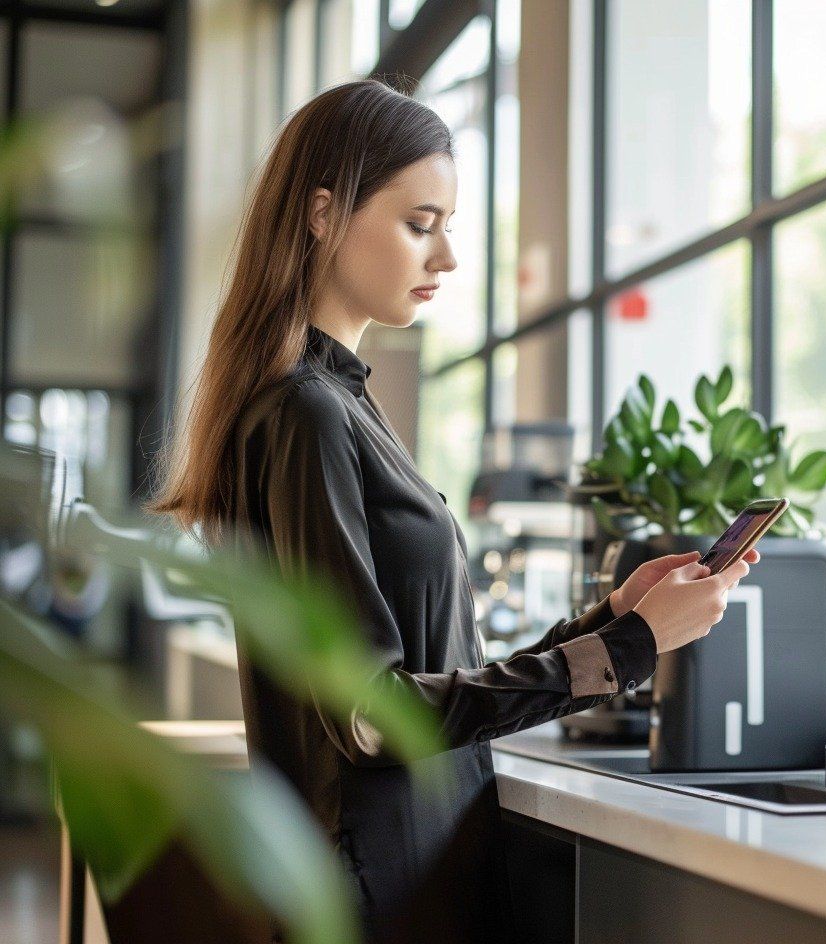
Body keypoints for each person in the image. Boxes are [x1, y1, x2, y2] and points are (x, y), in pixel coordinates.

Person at [146, 78, 755, 943]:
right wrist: (629, 649)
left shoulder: (338, 406)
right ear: (322, 213)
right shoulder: (306, 413)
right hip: (382, 896)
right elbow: (370, 718)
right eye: (419, 225)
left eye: (447, 228)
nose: (448, 260)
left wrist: (614, 618)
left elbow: (429, 675)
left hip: (400, 878)